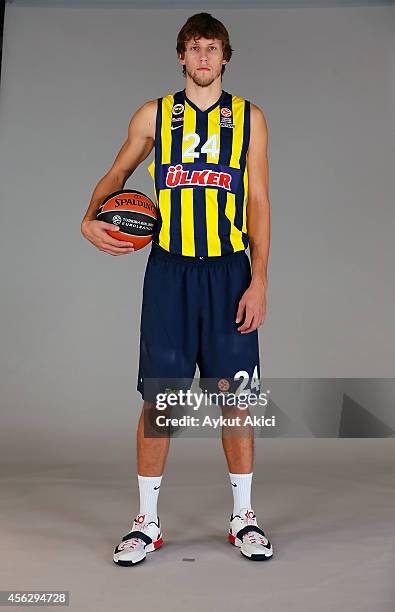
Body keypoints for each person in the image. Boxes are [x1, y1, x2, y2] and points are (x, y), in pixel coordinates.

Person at [81, 12, 272, 565]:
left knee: (235, 399)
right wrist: (88, 217)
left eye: (213, 48)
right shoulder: (154, 114)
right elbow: (117, 174)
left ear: (226, 58)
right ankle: (146, 523)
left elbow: (258, 202)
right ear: (182, 57)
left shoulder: (249, 119)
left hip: (229, 270)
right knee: (159, 401)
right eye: (194, 48)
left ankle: (244, 519)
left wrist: (259, 280)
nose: (204, 57)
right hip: (170, 272)